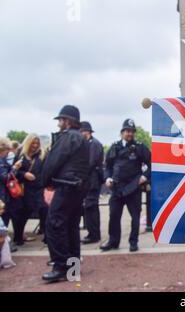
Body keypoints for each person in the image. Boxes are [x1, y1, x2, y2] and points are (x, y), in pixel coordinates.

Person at [41, 105, 90, 282]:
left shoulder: (68, 137)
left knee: (54, 224)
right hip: (77, 188)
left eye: (60, 120)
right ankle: (73, 268)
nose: (59, 123)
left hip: (65, 187)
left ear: (67, 121)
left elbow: (53, 162)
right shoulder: (82, 139)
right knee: (71, 228)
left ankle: (60, 266)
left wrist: (46, 182)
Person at [101, 119, 151, 253]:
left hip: (133, 187)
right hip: (117, 188)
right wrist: (108, 178)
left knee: (135, 217)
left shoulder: (140, 147)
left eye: (132, 131)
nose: (130, 134)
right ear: (122, 132)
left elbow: (152, 163)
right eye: (127, 131)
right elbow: (108, 167)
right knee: (114, 215)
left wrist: (144, 177)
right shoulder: (114, 147)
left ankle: (133, 242)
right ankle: (113, 241)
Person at [13, 134, 46, 246]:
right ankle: (18, 237)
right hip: (24, 188)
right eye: (33, 143)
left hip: (38, 188)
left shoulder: (41, 155)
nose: (35, 146)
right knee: (23, 213)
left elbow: (44, 170)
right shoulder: (20, 154)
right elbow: (14, 171)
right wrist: (24, 174)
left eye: (37, 143)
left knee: (43, 209)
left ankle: (46, 235)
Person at [80, 121, 104, 244]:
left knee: (91, 207)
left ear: (87, 132)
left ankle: (93, 234)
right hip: (90, 179)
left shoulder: (94, 144)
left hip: (92, 180)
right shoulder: (90, 143)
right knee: (90, 208)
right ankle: (93, 233)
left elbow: (91, 162)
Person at [0, 138, 23, 252]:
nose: (9, 152)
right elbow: (5, 178)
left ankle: (5, 246)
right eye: (7, 149)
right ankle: (4, 247)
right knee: (3, 222)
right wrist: (15, 168)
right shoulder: (1, 162)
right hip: (3, 196)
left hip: (3, 195)